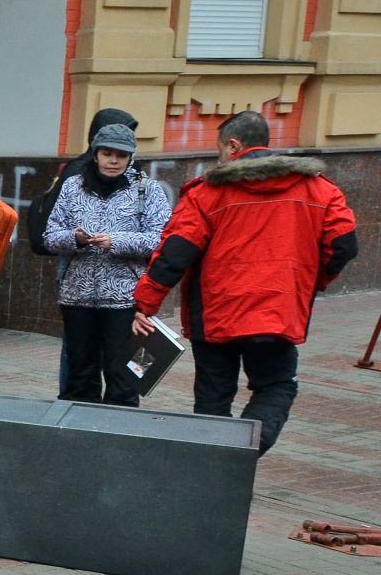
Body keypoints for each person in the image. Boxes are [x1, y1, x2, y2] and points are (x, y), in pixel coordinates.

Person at [133, 110, 358, 453]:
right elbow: (343, 246)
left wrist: (146, 303)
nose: (218, 157)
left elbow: (175, 252)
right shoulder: (320, 189)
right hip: (278, 311)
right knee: (276, 386)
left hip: (216, 315)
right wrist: (313, 283)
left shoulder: (207, 193)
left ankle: (215, 465)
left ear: (234, 146)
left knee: (213, 396)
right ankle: (247, 451)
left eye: (219, 149)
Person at [38, 122, 170, 405]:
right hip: (77, 297)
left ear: (130, 157)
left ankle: (117, 437)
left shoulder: (147, 190)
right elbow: (50, 236)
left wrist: (117, 241)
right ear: (95, 154)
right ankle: (80, 434)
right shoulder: (73, 186)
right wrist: (76, 238)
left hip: (125, 301)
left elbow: (160, 240)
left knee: (123, 376)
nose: (113, 161)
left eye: (120, 155)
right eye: (107, 153)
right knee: (79, 375)